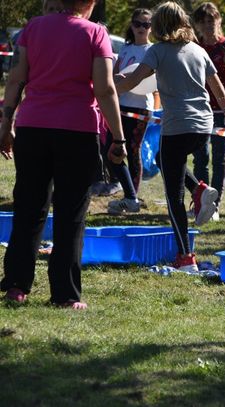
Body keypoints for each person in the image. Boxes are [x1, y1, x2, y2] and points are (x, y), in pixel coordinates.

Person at [0, 0, 127, 308]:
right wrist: (119, 138)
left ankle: (17, 286)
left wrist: (5, 125)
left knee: (29, 207)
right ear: (89, 3)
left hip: (33, 126)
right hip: (77, 130)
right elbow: (105, 89)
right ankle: (65, 295)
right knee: (71, 213)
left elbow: (16, 79)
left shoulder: (32, 28)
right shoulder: (96, 33)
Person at [115, 1, 225, 272]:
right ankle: (201, 189)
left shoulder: (157, 51)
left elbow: (132, 83)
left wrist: (105, 87)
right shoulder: (198, 50)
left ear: (158, 26)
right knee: (163, 157)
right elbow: (218, 88)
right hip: (203, 126)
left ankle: (185, 257)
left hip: (178, 126)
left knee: (173, 196)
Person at [106, 8, 160, 214]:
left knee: (133, 150)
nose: (141, 28)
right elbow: (116, 74)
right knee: (112, 149)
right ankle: (128, 193)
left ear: (151, 28)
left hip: (141, 109)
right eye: (137, 23)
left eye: (146, 25)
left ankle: (132, 197)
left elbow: (152, 82)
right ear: (131, 25)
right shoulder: (126, 48)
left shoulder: (153, 51)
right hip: (120, 105)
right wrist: (116, 78)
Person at [192, 2, 225, 221]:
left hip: (222, 110)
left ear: (219, 20)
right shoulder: (194, 46)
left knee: (220, 158)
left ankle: (216, 204)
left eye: (212, 20)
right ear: (198, 25)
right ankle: (202, 200)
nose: (208, 25)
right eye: (203, 21)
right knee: (200, 158)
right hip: (199, 109)